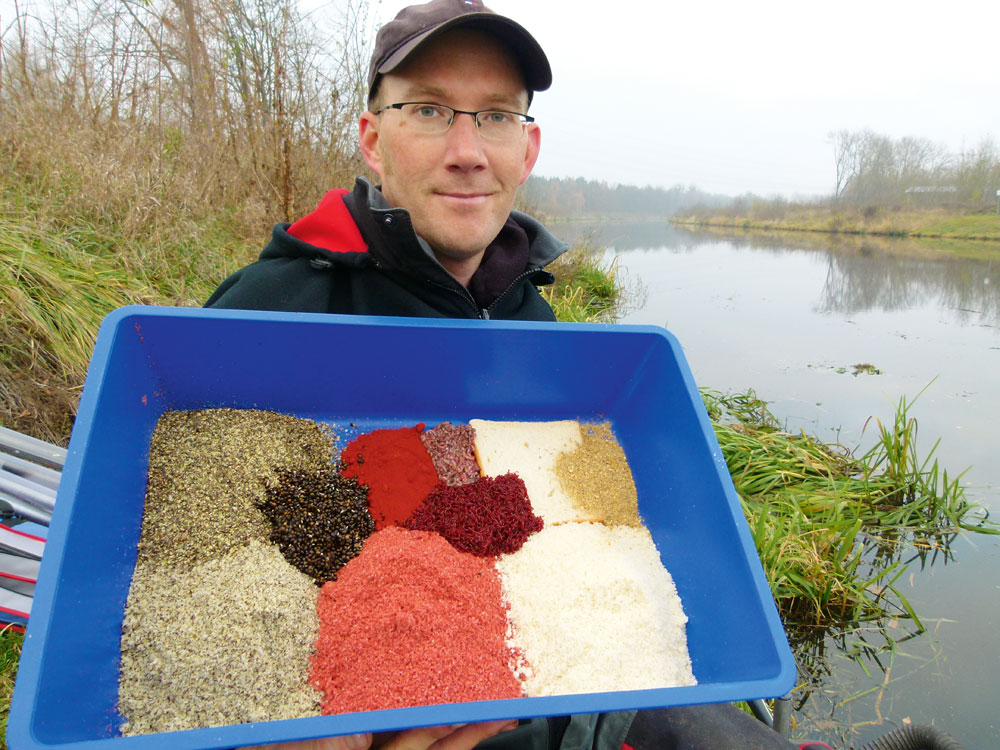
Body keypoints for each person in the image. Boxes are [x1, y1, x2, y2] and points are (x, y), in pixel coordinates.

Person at [212, 2, 805, 749]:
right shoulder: (265, 312)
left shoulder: (535, 325)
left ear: (528, 148)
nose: (468, 150)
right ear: (372, 139)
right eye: (428, 109)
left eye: (495, 116)